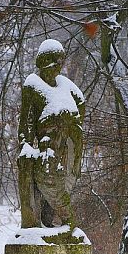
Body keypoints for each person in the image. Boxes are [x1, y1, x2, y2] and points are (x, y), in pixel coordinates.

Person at [17, 39, 85, 229]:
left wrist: (72, 129)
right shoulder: (33, 85)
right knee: (45, 177)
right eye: (53, 62)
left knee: (63, 184)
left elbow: (81, 103)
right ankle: (67, 218)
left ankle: (55, 222)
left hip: (70, 148)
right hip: (49, 146)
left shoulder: (67, 86)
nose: (57, 67)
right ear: (43, 62)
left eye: (60, 62)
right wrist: (26, 145)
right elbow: (27, 122)